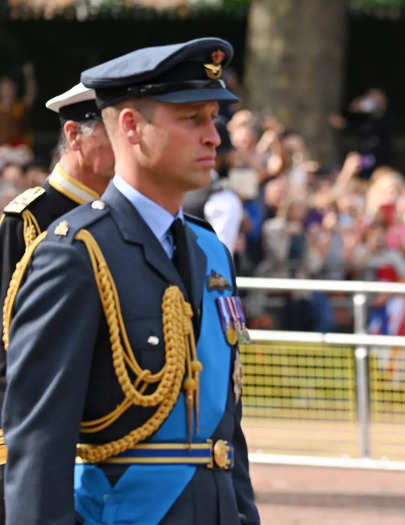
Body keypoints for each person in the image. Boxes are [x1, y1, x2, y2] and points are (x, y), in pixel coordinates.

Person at [2, 38, 259, 524]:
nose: (214, 137)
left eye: (214, 118)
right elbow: (39, 443)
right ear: (131, 126)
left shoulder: (210, 250)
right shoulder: (76, 253)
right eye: (192, 119)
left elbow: (225, 436)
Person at [0, 80, 114, 524]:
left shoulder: (117, 215)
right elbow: (12, 341)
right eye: (111, 134)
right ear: (74, 136)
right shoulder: (31, 219)